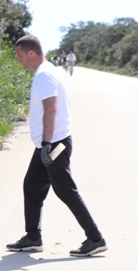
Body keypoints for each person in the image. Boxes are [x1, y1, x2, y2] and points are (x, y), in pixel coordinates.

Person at [7, 35, 106, 257]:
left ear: (31, 53)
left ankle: (95, 238)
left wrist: (45, 144)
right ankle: (33, 237)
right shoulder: (50, 70)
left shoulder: (44, 75)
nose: (20, 61)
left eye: (21, 56)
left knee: (66, 190)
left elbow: (51, 109)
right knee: (32, 186)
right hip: (51, 142)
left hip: (53, 144)